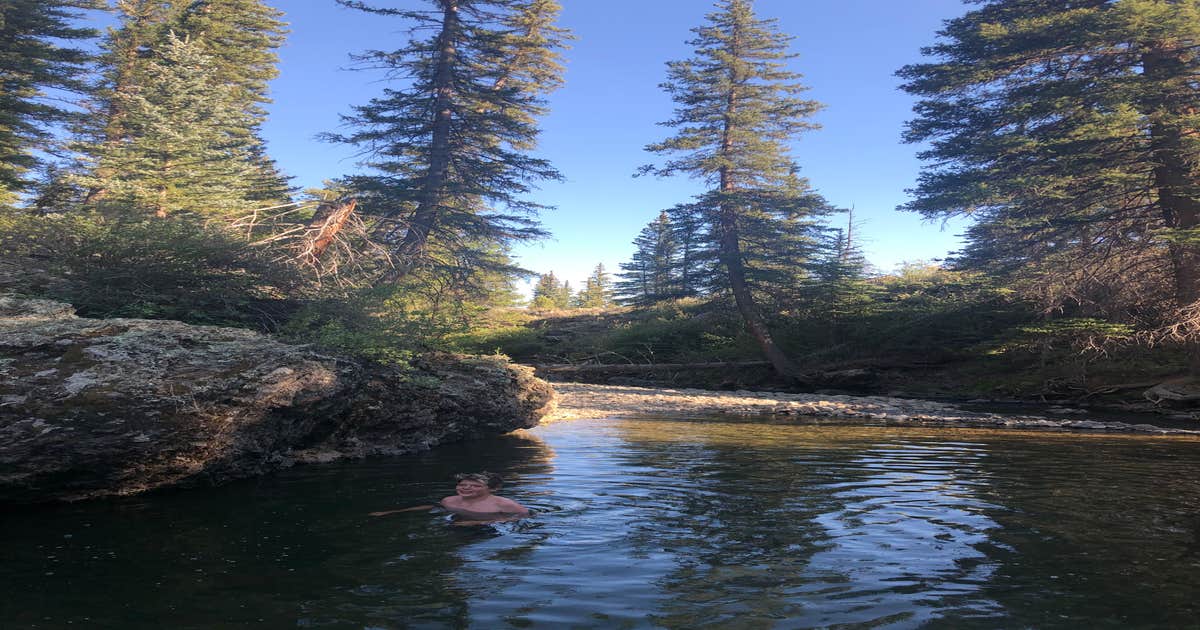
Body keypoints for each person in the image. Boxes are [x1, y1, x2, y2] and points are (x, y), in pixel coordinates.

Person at [370, 472, 530, 522]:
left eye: (475, 486)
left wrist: (477, 523)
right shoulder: (449, 500)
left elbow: (524, 517)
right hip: (459, 523)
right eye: (463, 485)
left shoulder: (504, 504)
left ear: (492, 489)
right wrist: (391, 513)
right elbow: (432, 507)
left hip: (487, 532)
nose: (466, 488)